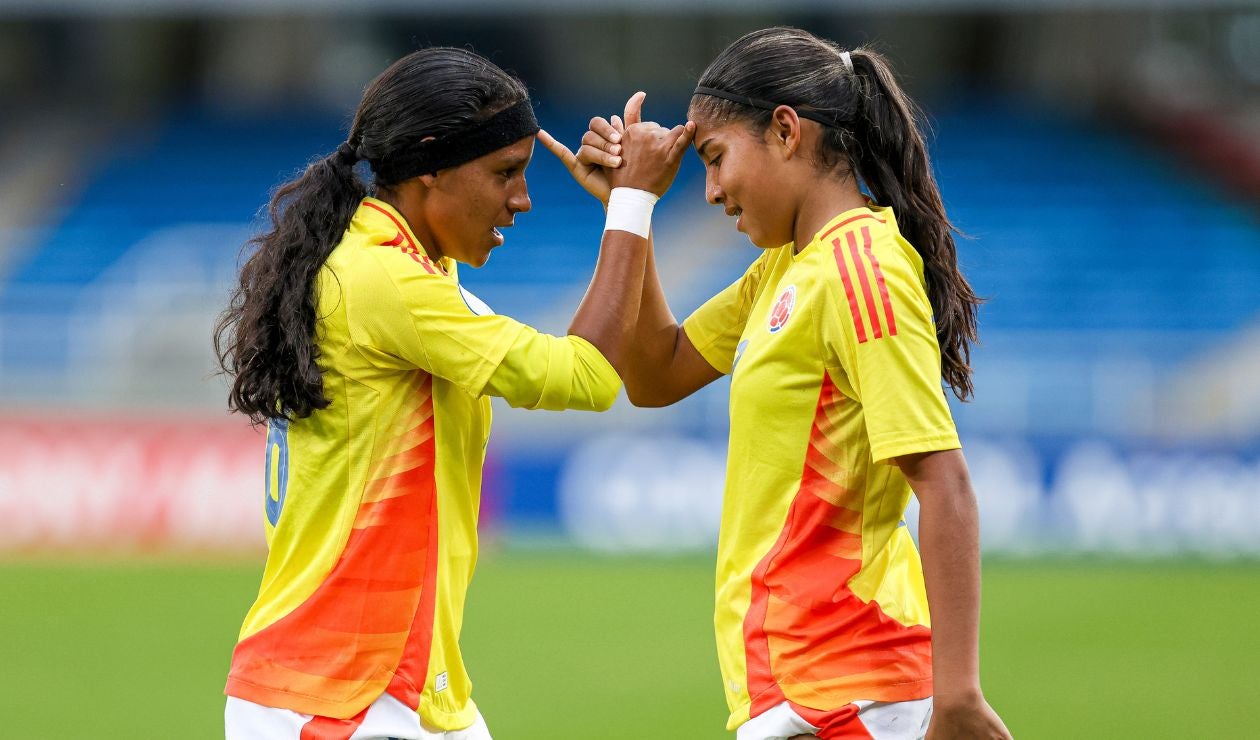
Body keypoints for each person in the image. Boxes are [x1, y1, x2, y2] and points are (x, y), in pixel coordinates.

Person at [547, 27, 1012, 740]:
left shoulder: (860, 269)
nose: (707, 191)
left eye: (715, 158)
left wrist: (957, 698)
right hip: (803, 689)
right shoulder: (786, 268)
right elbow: (656, 372)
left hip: (848, 689)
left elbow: (942, 482)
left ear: (786, 132)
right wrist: (627, 210)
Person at [213, 47, 691, 739]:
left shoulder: (389, 270)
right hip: (340, 696)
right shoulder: (388, 284)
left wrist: (627, 210)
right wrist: (632, 204)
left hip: (380, 685)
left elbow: (582, 363)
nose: (522, 198)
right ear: (430, 167)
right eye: (505, 173)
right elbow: (585, 376)